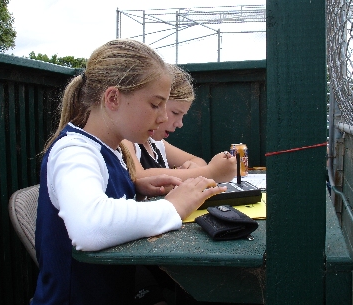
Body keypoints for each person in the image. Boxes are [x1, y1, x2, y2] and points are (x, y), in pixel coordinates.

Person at [31, 39, 226, 305]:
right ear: (113, 98)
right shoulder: (74, 152)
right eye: (156, 105)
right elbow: (90, 225)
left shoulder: (108, 150)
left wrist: (135, 186)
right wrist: (173, 207)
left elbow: (99, 193)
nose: (162, 117)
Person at [122, 64, 237, 188]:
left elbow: (198, 161)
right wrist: (211, 173)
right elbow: (139, 176)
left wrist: (191, 170)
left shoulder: (156, 143)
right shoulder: (126, 139)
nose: (180, 124)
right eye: (175, 113)